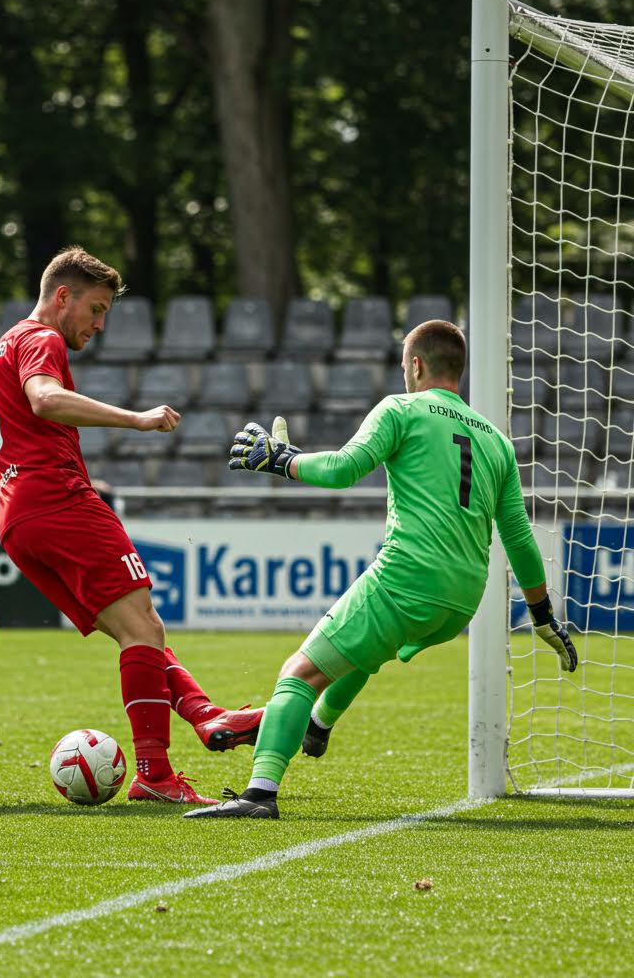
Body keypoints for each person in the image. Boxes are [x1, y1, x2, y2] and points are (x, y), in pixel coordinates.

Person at [184, 319, 578, 820]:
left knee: (299, 673)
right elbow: (519, 537)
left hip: (407, 579)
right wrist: (542, 615)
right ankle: (318, 724)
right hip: (461, 602)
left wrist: (283, 460)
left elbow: (344, 469)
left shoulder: (401, 408)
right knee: (366, 651)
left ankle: (259, 794)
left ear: (415, 365)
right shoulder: (495, 440)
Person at [0, 245, 263, 805]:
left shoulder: (0, 349)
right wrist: (135, 419)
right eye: (96, 309)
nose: (101, 324)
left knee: (138, 629)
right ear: (63, 297)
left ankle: (205, 716)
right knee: (142, 631)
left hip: (15, 517)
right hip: (60, 502)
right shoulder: (43, 339)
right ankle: (155, 774)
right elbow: (45, 399)